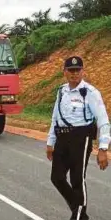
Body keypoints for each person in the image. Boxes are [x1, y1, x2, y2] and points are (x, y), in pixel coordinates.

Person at [46, 56, 110, 220]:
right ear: (65, 72)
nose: (74, 74)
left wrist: (103, 148)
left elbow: (103, 120)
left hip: (81, 139)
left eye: (78, 70)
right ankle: (80, 211)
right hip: (62, 137)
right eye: (71, 70)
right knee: (57, 178)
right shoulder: (62, 91)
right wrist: (50, 142)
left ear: (83, 71)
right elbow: (55, 117)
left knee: (77, 178)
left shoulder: (90, 93)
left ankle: (78, 214)